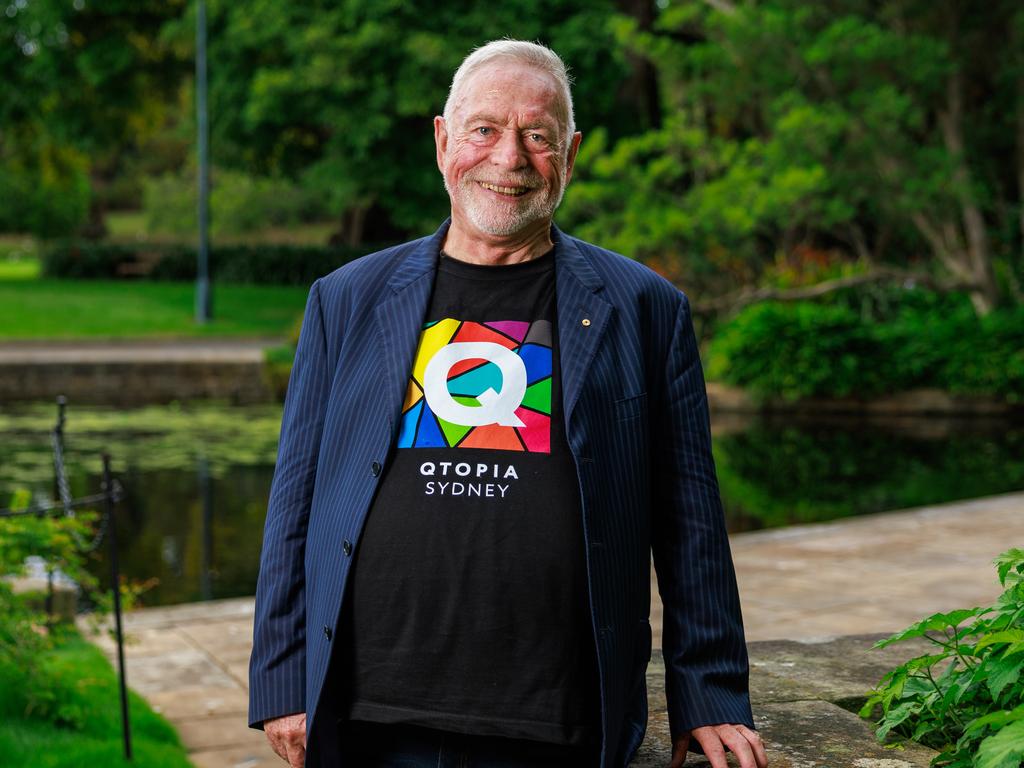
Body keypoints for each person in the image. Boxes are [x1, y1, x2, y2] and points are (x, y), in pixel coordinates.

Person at [248, 39, 767, 768]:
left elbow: (691, 521)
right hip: (370, 711)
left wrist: (710, 692)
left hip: (556, 720)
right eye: (485, 129)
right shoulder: (347, 298)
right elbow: (295, 500)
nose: (510, 157)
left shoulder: (645, 307)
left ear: (571, 154)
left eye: (538, 136)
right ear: (442, 141)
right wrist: (281, 675)